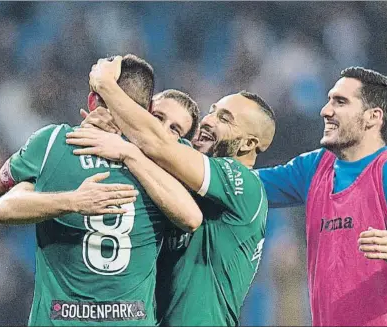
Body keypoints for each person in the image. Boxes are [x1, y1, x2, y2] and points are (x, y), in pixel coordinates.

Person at [0, 54, 203, 326]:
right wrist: (76, 199)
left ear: (92, 101)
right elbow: (192, 216)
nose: (164, 130)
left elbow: (0, 194)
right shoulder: (168, 160)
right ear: (146, 110)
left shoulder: (53, 142)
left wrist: (71, 198)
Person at [65, 56, 276, 326]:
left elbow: (156, 142)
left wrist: (106, 85)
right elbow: (155, 143)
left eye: (224, 118)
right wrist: (105, 122)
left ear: (248, 143)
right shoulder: (182, 178)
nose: (208, 121)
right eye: (212, 110)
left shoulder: (244, 184)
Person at [256, 67, 387, 326]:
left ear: (373, 117)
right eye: (329, 100)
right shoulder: (313, 167)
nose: (325, 111)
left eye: (340, 102)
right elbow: (247, 187)